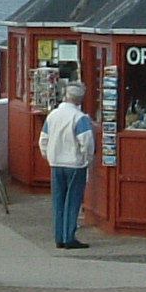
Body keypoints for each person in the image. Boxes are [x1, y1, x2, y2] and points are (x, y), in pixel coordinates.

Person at [38, 81, 95, 250]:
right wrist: (87, 159)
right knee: (73, 200)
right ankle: (69, 236)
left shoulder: (53, 115)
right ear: (80, 99)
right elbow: (86, 141)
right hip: (75, 164)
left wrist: (48, 156)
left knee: (58, 200)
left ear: (65, 96)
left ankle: (58, 236)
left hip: (56, 163)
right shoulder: (80, 118)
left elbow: (43, 140)